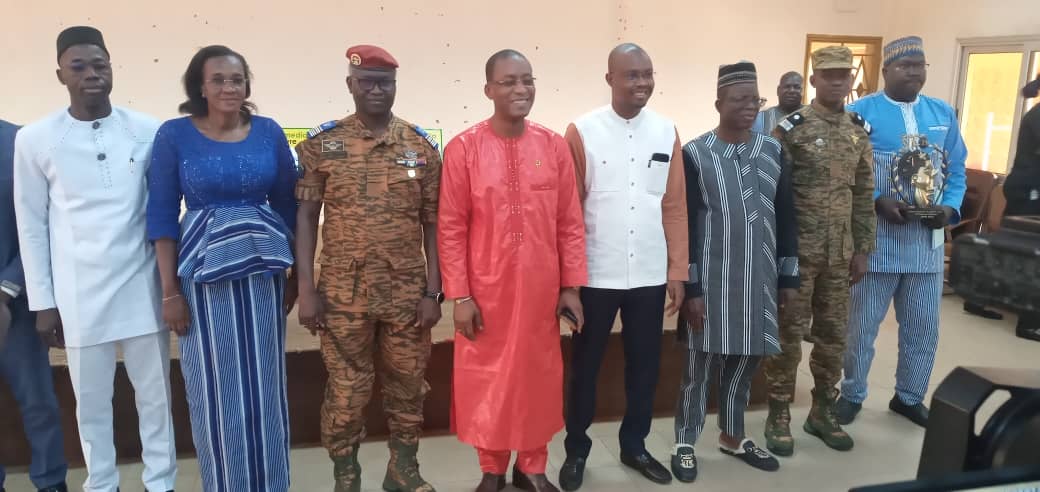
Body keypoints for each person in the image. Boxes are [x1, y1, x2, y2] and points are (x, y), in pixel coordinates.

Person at [13, 26, 177, 492]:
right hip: (78, 292)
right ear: (60, 74)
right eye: (78, 66)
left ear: (111, 68)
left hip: (141, 284)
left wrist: (170, 288)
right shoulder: (35, 139)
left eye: (99, 65)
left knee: (155, 398)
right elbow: (31, 224)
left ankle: (161, 481)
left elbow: (163, 210)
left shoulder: (147, 129)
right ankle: (101, 483)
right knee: (91, 403)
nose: (91, 74)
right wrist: (43, 302)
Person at [146, 45, 298, 491]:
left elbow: (289, 207)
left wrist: (295, 277)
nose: (229, 87)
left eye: (237, 79)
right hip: (202, 276)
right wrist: (170, 292)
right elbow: (161, 215)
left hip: (262, 274)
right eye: (218, 79)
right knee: (214, 388)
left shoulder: (268, 131)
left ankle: (271, 484)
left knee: (266, 386)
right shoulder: (174, 135)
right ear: (200, 86)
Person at [294, 44, 443, 492]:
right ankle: (347, 474)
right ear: (350, 85)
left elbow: (433, 224)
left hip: (407, 294)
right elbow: (306, 219)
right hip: (343, 294)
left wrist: (433, 292)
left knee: (408, 385)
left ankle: (403, 469)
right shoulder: (323, 146)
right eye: (367, 83)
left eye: (385, 83)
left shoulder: (420, 147)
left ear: (395, 86)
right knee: (346, 390)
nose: (377, 91)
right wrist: (305, 289)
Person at [438, 49, 587, 492]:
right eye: (508, 82)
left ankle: (533, 466)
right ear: (488, 90)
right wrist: (461, 296)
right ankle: (492, 469)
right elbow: (450, 227)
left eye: (527, 80)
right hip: (485, 293)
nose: (520, 89)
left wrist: (571, 287)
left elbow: (569, 221)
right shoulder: (464, 149)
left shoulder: (553, 146)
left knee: (537, 377)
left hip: (541, 292)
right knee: (487, 382)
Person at [558, 43, 687, 491]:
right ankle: (576, 450)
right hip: (596, 273)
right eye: (632, 74)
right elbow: (568, 211)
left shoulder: (666, 131)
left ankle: (635, 446)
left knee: (645, 367)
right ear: (610, 79)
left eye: (648, 74)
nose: (642, 82)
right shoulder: (583, 131)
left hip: (649, 274)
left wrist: (677, 271)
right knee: (585, 368)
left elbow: (674, 206)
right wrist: (569, 282)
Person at [670, 61, 798, 482]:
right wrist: (691, 287)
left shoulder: (773, 151)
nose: (749, 107)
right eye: (739, 99)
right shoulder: (695, 154)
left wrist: (788, 277)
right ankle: (685, 441)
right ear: (718, 104)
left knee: (746, 361)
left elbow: (786, 217)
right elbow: (685, 224)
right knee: (699, 368)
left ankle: (733, 435)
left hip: (759, 279)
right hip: (712, 280)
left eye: (754, 100)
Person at [836, 36, 968, 428]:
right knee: (861, 328)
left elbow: (957, 169)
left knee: (923, 329)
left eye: (920, 65)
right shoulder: (860, 113)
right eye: (905, 65)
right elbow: (845, 171)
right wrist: (877, 199)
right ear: (886, 70)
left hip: (926, 246)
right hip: (876, 243)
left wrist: (949, 208)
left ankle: (909, 397)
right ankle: (852, 393)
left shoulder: (942, 113)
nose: (914, 72)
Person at [761, 45, 875, 457]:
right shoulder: (791, 129)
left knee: (833, 337)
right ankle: (778, 413)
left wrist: (862, 249)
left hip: (839, 255)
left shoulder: (858, 130)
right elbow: (772, 195)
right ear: (814, 80)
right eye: (829, 75)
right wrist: (776, 253)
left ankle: (823, 411)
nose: (838, 81)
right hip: (798, 255)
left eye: (844, 74)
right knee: (788, 336)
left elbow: (863, 193)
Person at [1, 118, 69, 492]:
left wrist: (5, 290)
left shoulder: (20, 141)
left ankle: (51, 482)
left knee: (38, 403)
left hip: (16, 304)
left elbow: (40, 223)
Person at [995, 76, 1040, 342]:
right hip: (1029, 190)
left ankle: (976, 301)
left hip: (1024, 186)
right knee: (1030, 254)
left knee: (1008, 246)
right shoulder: (1037, 116)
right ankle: (1029, 324)